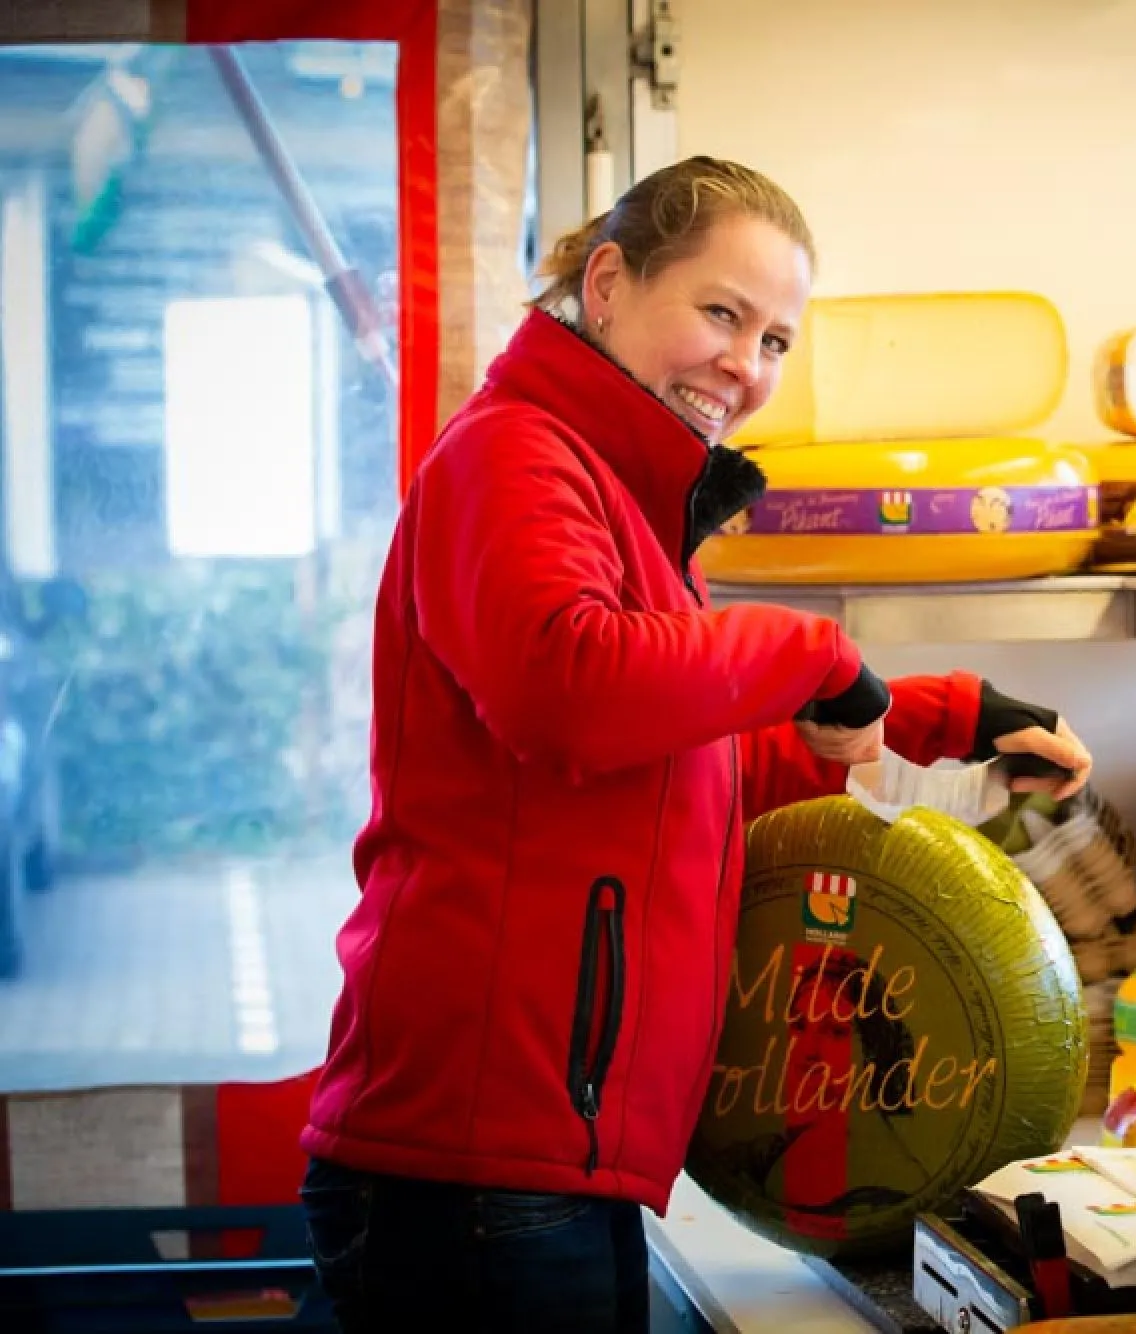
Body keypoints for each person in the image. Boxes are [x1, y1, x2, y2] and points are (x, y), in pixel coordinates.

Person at [297, 156, 1092, 1332]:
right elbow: (567, 691)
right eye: (722, 312)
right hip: (472, 1156)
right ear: (608, 283)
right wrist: (816, 654)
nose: (746, 364)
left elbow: (687, 764)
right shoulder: (512, 456)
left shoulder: (624, 494)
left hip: (550, 1158)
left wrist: (940, 714)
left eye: (775, 339)